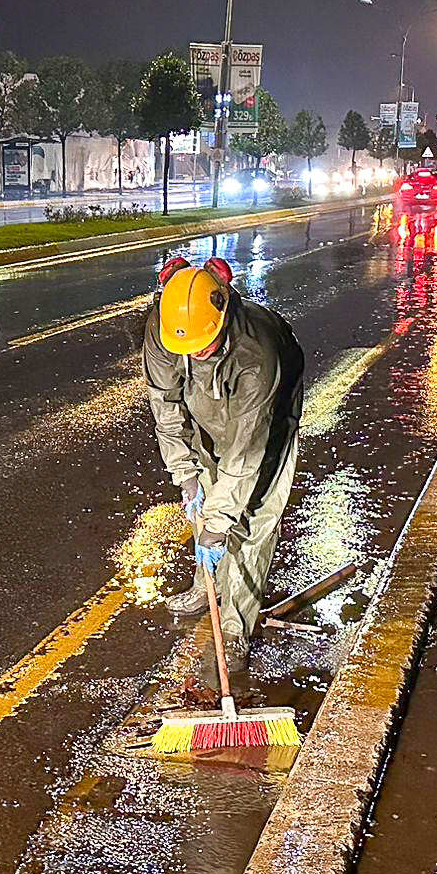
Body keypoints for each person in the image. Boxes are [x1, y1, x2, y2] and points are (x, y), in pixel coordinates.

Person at [143, 255, 305, 698]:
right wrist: (185, 473)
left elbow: (245, 450)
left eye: (205, 345)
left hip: (263, 416)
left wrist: (218, 523)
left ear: (224, 315)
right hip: (205, 405)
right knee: (206, 496)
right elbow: (166, 405)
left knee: (251, 518)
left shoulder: (256, 353)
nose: (195, 352)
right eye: (186, 347)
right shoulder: (167, 328)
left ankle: (234, 626)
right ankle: (207, 586)